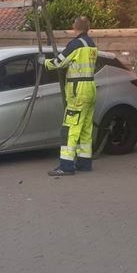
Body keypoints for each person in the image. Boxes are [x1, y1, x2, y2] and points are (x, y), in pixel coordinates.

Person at [43, 16, 98, 176]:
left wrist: (44, 63)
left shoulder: (75, 44)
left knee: (70, 128)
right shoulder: (92, 44)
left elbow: (58, 62)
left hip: (78, 90)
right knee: (86, 128)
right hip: (90, 88)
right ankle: (84, 163)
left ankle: (66, 166)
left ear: (75, 27)